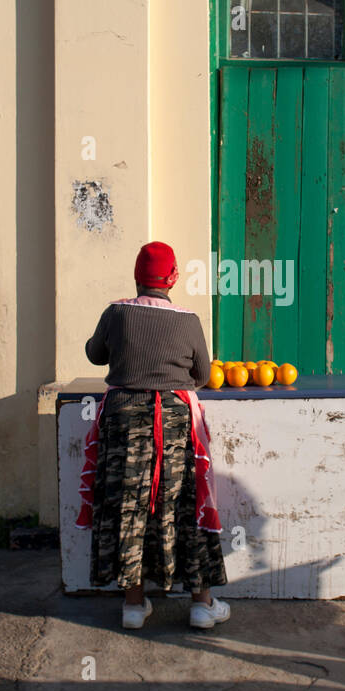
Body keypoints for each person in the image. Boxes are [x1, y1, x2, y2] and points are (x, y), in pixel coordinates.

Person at [77, 241, 229, 630]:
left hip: (123, 420)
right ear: (173, 278)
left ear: (136, 276)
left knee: (128, 506)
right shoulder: (188, 320)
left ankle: (133, 605)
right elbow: (202, 375)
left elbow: (95, 354)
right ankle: (201, 605)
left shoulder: (116, 312)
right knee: (183, 505)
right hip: (175, 424)